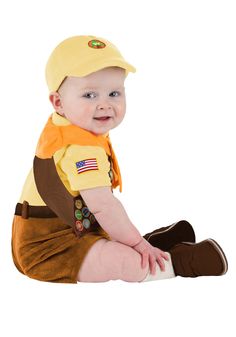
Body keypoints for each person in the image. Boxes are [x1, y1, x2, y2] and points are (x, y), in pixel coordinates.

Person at [11, 35, 228, 283]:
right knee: (122, 263)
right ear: (58, 102)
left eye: (114, 93)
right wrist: (134, 241)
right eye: (90, 95)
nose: (105, 105)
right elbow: (103, 206)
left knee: (113, 243)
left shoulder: (67, 127)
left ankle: (153, 247)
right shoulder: (80, 148)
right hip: (48, 247)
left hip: (78, 228)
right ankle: (178, 262)